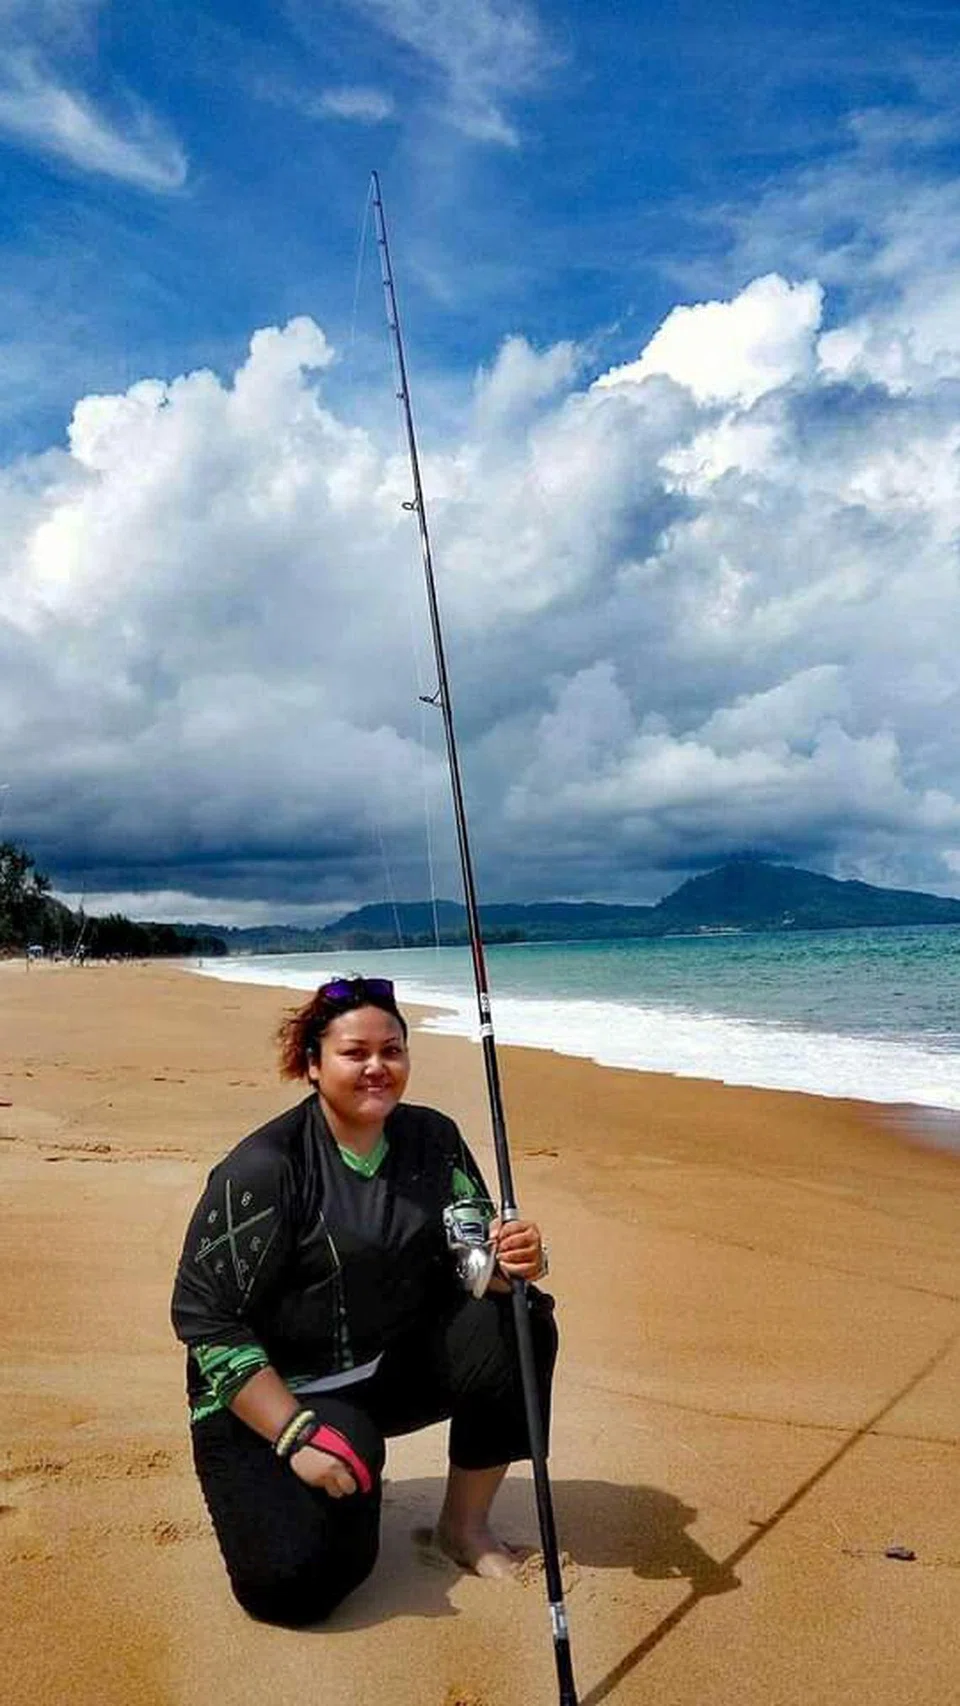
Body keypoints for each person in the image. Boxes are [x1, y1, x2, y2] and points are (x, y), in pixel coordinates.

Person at [171, 974, 557, 1628]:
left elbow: (471, 1265)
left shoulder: (434, 1139)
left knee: (521, 1317)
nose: (378, 1067)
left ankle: (464, 1527)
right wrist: (295, 1434)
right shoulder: (266, 1168)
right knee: (292, 1591)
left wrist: (511, 1261)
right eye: (355, 1053)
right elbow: (206, 1321)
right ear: (313, 1064)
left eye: (393, 1050)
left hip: (384, 1368)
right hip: (267, 1395)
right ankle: (336, 1463)